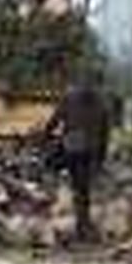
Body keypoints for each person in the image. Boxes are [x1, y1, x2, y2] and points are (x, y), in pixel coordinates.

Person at [45, 70, 111, 242]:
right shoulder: (101, 103)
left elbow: (54, 121)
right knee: (83, 189)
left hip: (75, 148)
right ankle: (82, 224)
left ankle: (81, 224)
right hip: (88, 149)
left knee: (79, 188)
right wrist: (101, 158)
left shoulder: (70, 98)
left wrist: (46, 136)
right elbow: (105, 133)